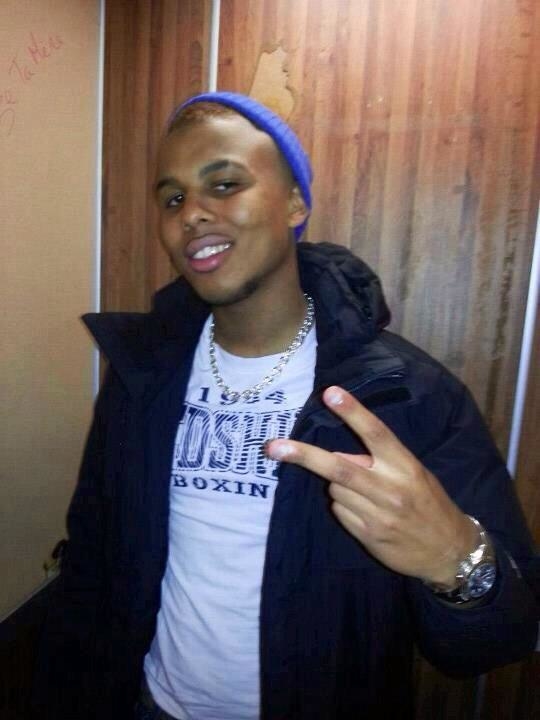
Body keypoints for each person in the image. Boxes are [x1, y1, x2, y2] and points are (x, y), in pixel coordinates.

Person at [33, 92, 539, 720]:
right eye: (173, 198)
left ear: (295, 203)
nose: (192, 213)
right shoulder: (142, 375)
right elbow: (92, 554)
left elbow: (500, 639)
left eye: (225, 184)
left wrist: (454, 558)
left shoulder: (405, 393)